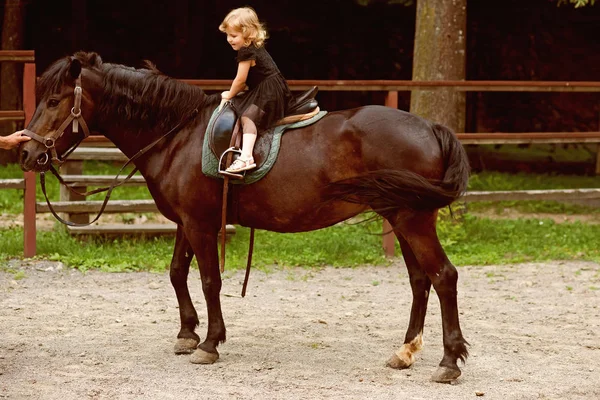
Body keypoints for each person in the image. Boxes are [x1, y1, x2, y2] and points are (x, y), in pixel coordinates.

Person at [218, 6, 293, 173]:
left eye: (234, 36)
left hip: (269, 90)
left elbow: (240, 81)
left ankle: (246, 157)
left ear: (248, 34)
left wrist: (228, 95)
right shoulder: (251, 47)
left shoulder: (246, 52)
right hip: (267, 86)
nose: (229, 39)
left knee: (248, 117)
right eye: (228, 35)